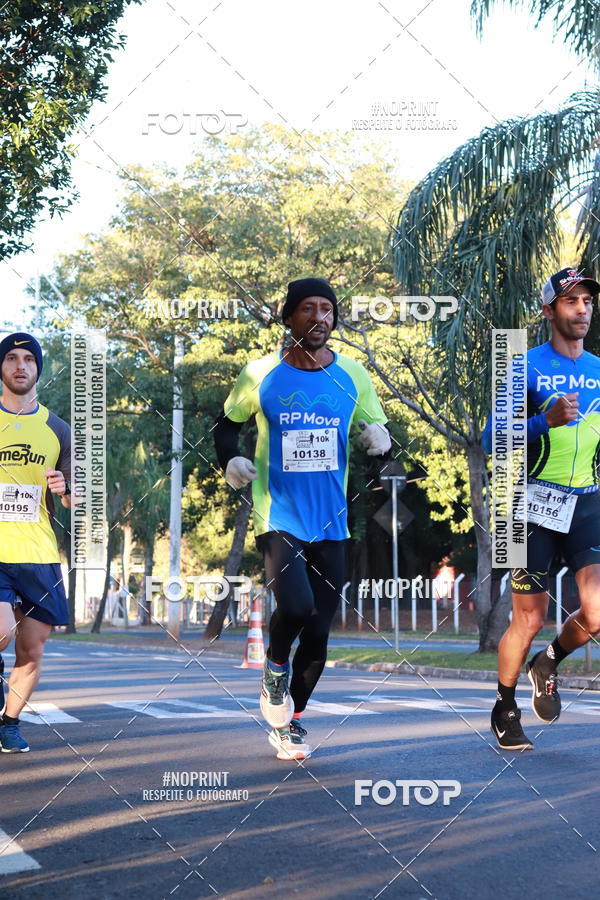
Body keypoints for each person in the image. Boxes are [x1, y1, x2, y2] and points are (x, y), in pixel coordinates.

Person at [214, 277, 391, 760]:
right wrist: (229, 460)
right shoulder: (260, 373)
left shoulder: (353, 374)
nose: (320, 318)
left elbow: (378, 434)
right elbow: (226, 427)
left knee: (318, 633)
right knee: (294, 607)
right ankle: (274, 669)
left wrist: (381, 444)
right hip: (279, 514)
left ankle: (291, 723)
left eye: (328, 310)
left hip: (333, 521)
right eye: (309, 308)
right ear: (288, 316)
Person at [482, 268, 600, 750]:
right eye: (571, 301)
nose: (583, 310)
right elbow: (493, 440)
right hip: (527, 504)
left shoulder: (599, 368)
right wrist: (543, 421)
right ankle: (504, 706)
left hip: (588, 501)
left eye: (588, 301)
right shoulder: (521, 365)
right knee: (527, 619)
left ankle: (548, 661)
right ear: (549, 310)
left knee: (596, 614)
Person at [0, 333, 72, 752]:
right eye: (11, 358)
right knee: (2, 633)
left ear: (38, 369)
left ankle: (9, 723)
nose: (20, 365)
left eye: (28, 359)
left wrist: (67, 487)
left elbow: (75, 494)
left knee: (32, 651)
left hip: (39, 553)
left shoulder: (57, 428)